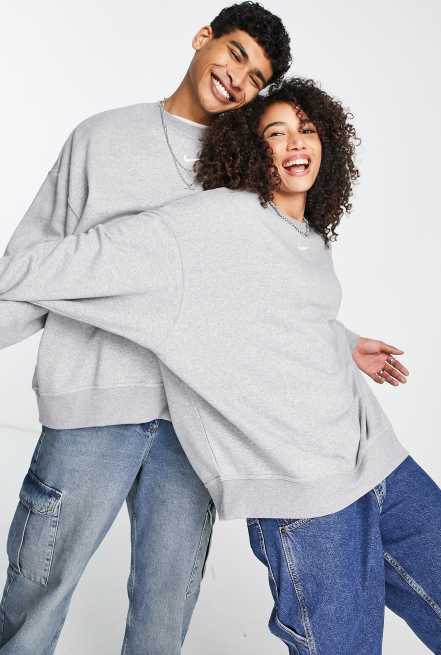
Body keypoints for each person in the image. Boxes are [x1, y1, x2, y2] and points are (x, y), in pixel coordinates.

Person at [2, 77, 441, 654]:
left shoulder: (308, 235)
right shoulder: (211, 222)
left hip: (380, 464)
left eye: (307, 129)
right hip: (306, 498)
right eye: (277, 133)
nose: (296, 142)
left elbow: (265, 316)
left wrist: (341, 342)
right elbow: (74, 265)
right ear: (253, 150)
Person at [0, 3, 292, 653]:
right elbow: (35, 260)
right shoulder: (101, 137)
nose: (238, 78)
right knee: (35, 593)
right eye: (235, 54)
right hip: (90, 407)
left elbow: (263, 289)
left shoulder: (248, 173)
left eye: (256, 77)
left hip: (193, 425)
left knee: (164, 615)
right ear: (203, 38)